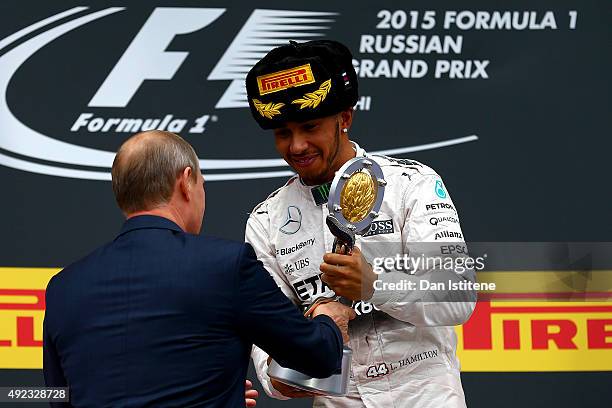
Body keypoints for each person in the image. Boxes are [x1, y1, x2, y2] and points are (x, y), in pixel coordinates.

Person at [43, 130, 355, 407]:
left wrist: (224, 396)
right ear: (186, 181)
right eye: (202, 184)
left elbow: (60, 397)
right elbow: (318, 357)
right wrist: (328, 316)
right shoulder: (224, 265)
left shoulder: (63, 288)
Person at [244, 40, 477, 407]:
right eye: (283, 133)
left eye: (310, 126)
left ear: (345, 119)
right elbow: (268, 348)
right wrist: (285, 375)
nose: (297, 146)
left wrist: (374, 285)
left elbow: (458, 296)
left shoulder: (410, 184)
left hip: (425, 396)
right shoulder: (265, 221)